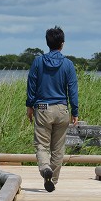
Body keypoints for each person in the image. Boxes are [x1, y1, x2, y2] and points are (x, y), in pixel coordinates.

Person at [26, 26, 79, 192]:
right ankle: (53, 180)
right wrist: (75, 111)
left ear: (47, 43)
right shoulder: (68, 64)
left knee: (42, 145)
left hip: (42, 108)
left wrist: (29, 106)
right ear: (62, 44)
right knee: (58, 148)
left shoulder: (38, 62)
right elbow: (73, 90)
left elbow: (31, 85)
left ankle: (44, 168)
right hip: (62, 109)